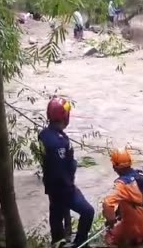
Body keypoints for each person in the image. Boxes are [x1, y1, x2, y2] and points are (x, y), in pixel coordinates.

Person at [38, 97, 95, 248]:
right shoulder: (61, 142)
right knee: (88, 212)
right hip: (63, 188)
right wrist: (69, 186)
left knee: (56, 215)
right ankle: (80, 243)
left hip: (51, 188)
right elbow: (61, 169)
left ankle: (58, 242)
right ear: (64, 116)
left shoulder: (44, 135)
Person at [102, 148, 143, 246]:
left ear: (115, 167)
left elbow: (107, 204)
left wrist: (111, 220)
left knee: (109, 238)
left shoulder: (122, 184)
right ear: (131, 163)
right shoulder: (142, 175)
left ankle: (134, 240)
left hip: (137, 226)